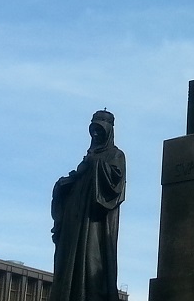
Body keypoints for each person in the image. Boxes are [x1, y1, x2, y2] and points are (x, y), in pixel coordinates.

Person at [50, 110, 126, 301]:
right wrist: (65, 184)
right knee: (69, 264)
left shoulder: (115, 155)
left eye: (99, 129)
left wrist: (94, 164)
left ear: (109, 131)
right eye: (92, 130)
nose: (95, 134)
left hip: (95, 221)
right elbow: (75, 180)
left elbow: (114, 184)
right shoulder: (87, 158)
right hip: (74, 221)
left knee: (93, 261)